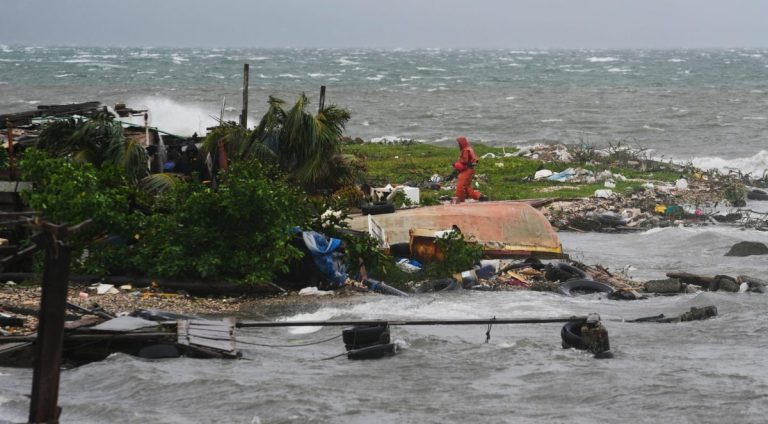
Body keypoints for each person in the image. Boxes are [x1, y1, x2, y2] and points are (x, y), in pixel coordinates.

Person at [453, 136, 488, 202]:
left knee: (460, 185)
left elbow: (464, 161)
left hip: (466, 170)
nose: (458, 145)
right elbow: (476, 160)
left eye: (459, 143)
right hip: (471, 170)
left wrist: (456, 164)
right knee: (467, 186)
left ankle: (459, 199)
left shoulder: (466, 150)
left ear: (462, 143)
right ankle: (479, 196)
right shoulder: (470, 149)